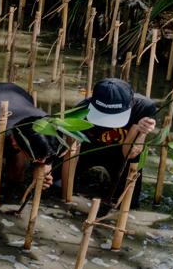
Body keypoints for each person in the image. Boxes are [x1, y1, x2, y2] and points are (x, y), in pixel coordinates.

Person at [61, 78, 157, 206]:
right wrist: (66, 199)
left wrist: (140, 130)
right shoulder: (81, 110)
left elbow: (130, 154)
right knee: (55, 187)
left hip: (121, 154)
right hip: (88, 149)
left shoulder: (143, 108)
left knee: (128, 204)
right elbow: (71, 156)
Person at [0, 82, 62, 205]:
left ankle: (14, 182)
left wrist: (42, 173)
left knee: (17, 176)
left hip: (19, 93)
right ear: (15, 143)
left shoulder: (52, 129)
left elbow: (47, 157)